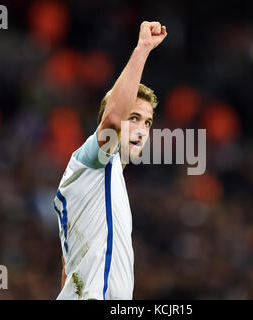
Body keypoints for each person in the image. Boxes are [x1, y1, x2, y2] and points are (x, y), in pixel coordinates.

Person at [54, 21, 167, 300]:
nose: (142, 129)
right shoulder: (91, 161)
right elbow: (114, 119)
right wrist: (142, 49)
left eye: (148, 122)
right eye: (134, 118)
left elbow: (69, 270)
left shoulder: (109, 180)